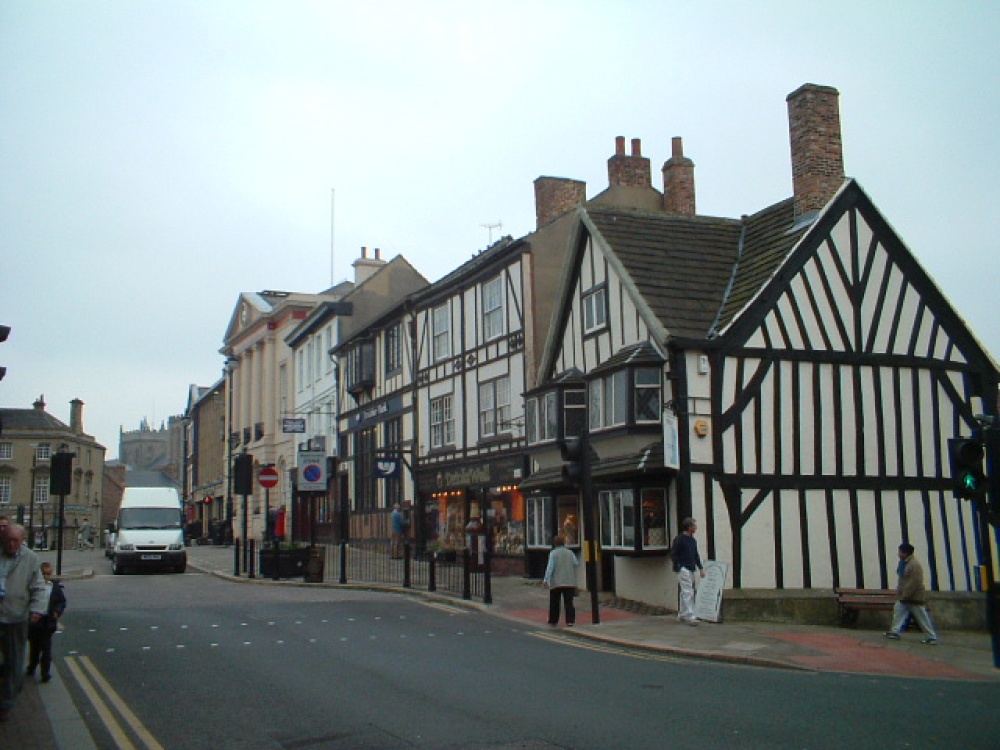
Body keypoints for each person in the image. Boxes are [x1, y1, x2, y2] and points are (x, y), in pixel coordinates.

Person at [0, 523, 47, 722]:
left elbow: (39, 587)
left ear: (22, 541)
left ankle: (6, 703)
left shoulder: (30, 559)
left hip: (16, 617)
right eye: (8, 539)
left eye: (15, 541)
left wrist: (37, 610)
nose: (11, 544)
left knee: (14, 662)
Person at [884, 542, 939, 645]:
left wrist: (906, 594)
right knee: (898, 611)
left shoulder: (914, 564)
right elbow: (902, 577)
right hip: (905, 595)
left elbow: (915, 581)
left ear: (905, 553)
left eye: (900, 551)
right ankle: (895, 631)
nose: (898, 553)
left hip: (914, 596)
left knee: (921, 616)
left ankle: (931, 636)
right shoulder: (904, 562)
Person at [27, 562, 67, 683]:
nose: (46, 577)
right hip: (35, 620)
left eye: (48, 574)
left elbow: (61, 601)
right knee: (35, 646)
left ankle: (45, 673)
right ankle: (32, 666)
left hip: (48, 621)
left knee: (46, 648)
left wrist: (57, 611)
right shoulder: (34, 585)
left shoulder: (55, 587)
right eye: (44, 574)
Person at [671, 517, 706, 626]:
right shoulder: (680, 539)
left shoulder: (692, 540)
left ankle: (682, 613)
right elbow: (673, 553)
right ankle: (691, 615)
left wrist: (700, 568)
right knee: (688, 591)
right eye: (694, 525)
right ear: (689, 527)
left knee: (684, 592)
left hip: (690, 568)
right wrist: (679, 566)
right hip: (683, 568)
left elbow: (695, 555)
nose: (696, 527)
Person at [543, 534, 579, 626]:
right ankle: (570, 620)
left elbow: (550, 568)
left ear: (555, 543)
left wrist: (546, 580)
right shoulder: (570, 553)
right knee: (569, 602)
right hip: (569, 581)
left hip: (556, 582)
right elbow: (576, 563)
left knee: (555, 602)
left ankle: (553, 620)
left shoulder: (553, 553)